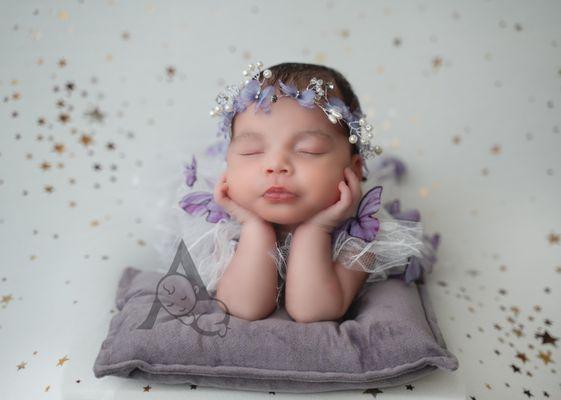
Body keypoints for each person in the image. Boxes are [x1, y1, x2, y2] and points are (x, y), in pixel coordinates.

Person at [151, 61, 439, 323]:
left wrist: (317, 228)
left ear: (353, 169)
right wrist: (253, 227)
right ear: (229, 164)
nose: (276, 166)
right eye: (251, 151)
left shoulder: (362, 238)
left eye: (307, 150)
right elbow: (244, 306)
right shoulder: (222, 229)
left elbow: (313, 310)